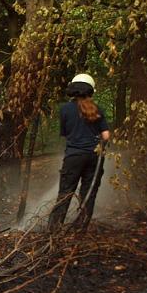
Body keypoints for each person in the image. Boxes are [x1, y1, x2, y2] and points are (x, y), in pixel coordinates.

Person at [47, 74, 111, 231]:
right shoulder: (97, 109)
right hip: (95, 157)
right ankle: (80, 227)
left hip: (74, 156)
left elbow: (65, 133)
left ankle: (54, 228)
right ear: (91, 91)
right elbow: (106, 135)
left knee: (66, 191)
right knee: (88, 192)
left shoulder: (65, 109)